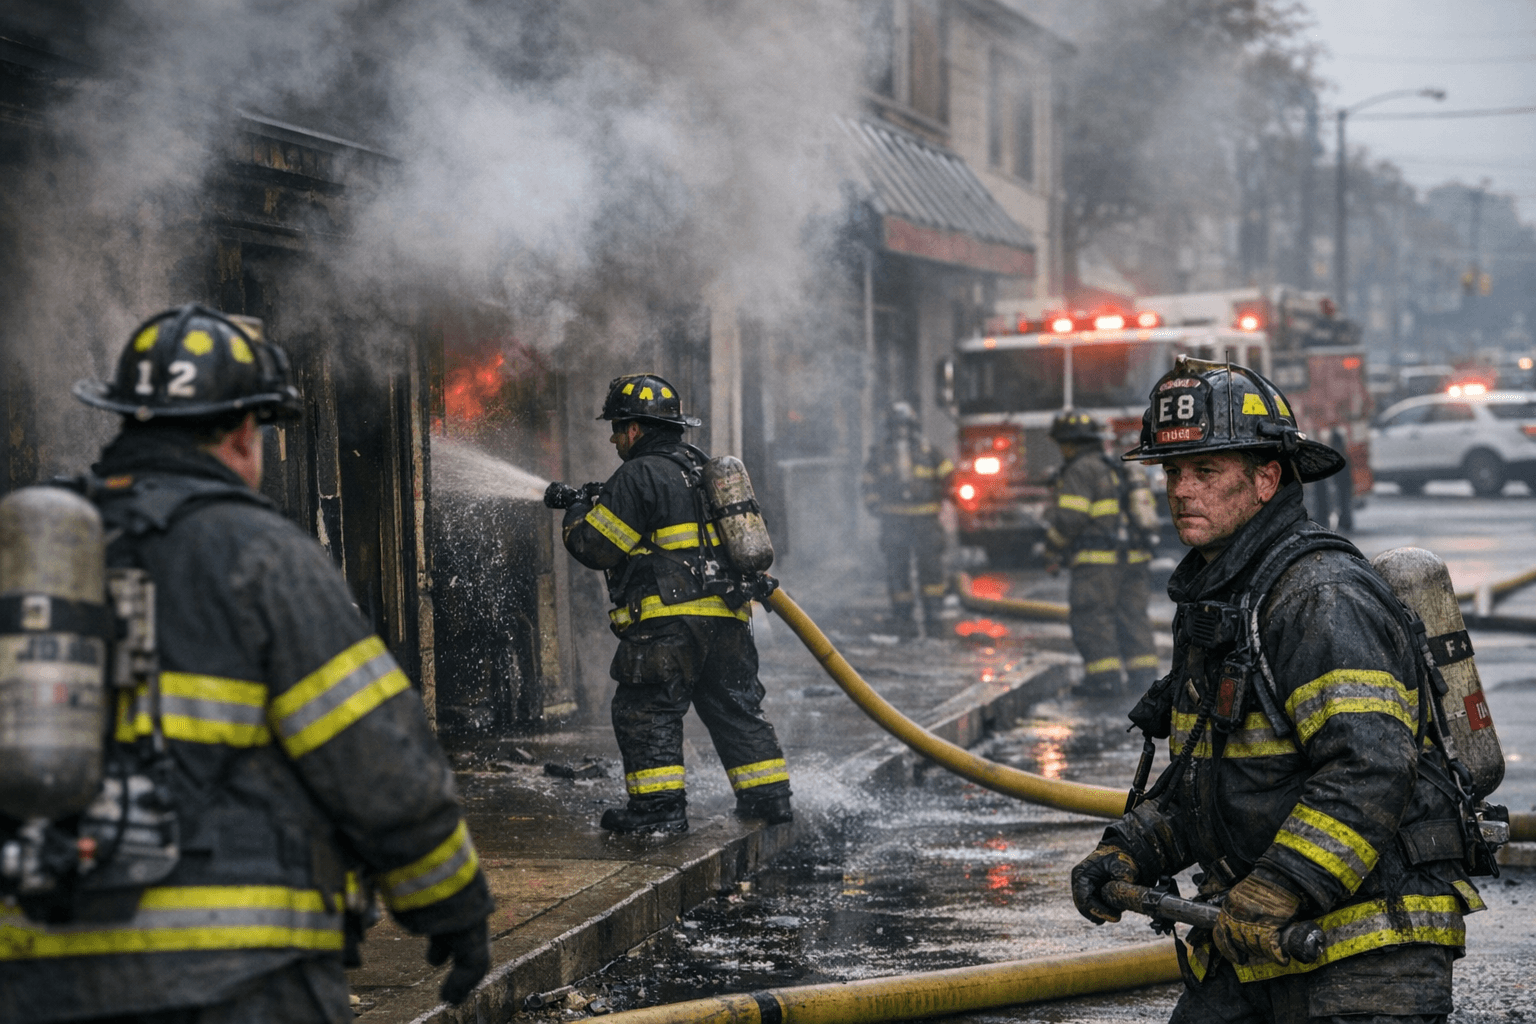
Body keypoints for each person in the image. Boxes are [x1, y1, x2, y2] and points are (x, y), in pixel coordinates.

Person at [0, 304, 495, 1023]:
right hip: (237, 976)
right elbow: (377, 758)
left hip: (37, 975)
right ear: (241, 431)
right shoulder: (261, 555)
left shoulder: (29, 556)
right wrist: (451, 902)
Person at [1071, 358, 1484, 1024]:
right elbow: (1220, 775)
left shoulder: (1320, 597)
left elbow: (1370, 768)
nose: (1181, 491)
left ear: (1266, 479)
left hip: (1364, 949)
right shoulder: (1227, 595)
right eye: (1173, 472)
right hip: (1258, 939)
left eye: (1206, 473)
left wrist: (1281, 884)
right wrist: (1132, 847)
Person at [547, 373, 792, 834]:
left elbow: (595, 547)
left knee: (646, 709)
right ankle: (770, 800)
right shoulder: (703, 470)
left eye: (617, 428)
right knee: (734, 707)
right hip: (729, 619)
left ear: (635, 429)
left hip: (667, 624)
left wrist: (577, 509)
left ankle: (658, 812)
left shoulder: (639, 473)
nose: (615, 438)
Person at [1042, 410, 1159, 697]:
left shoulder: (1081, 469)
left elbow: (1070, 519)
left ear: (1069, 444)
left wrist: (1051, 549)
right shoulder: (1117, 466)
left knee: (1092, 617)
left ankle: (1104, 680)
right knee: (1132, 617)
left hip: (1098, 563)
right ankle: (1143, 679)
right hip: (1134, 558)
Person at [862, 401, 954, 636]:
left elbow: (949, 477)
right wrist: (874, 505)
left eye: (905, 425)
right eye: (897, 425)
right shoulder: (880, 453)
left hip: (925, 520)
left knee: (931, 566)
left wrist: (947, 497)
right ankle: (902, 612)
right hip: (894, 521)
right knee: (897, 567)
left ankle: (933, 609)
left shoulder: (929, 451)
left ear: (913, 426)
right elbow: (868, 483)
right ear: (890, 427)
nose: (901, 431)